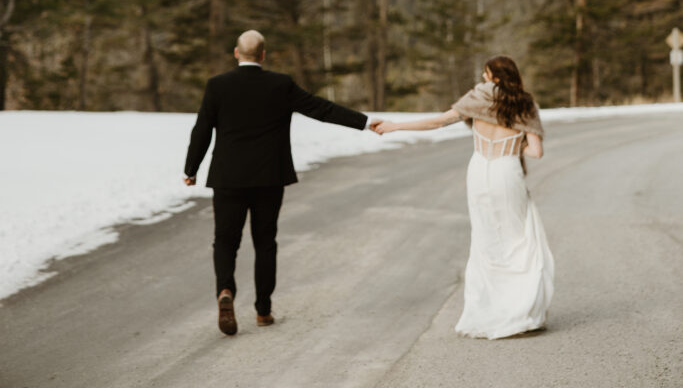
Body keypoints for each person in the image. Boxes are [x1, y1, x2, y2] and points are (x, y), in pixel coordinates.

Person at [183, 29, 378, 336]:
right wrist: (365, 122)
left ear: (236, 53)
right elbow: (321, 109)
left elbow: (202, 129)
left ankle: (225, 290)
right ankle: (263, 311)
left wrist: (191, 168)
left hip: (228, 177)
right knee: (265, 242)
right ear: (263, 55)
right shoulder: (280, 84)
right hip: (268, 177)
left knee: (225, 241)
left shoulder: (218, 85)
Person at [375, 55, 554, 339]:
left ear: (494, 77)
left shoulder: (477, 98)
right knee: (517, 239)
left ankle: (489, 313)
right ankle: (521, 312)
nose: (483, 79)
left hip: (479, 172)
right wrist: (514, 143)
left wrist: (395, 126)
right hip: (506, 172)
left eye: (486, 74)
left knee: (486, 241)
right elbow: (536, 151)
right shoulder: (524, 103)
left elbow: (438, 122)